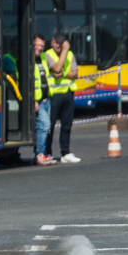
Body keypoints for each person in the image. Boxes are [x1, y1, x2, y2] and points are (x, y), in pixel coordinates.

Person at [44, 32, 81, 164]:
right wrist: (65, 50)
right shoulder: (48, 54)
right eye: (57, 42)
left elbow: (75, 73)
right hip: (54, 94)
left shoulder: (70, 54)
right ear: (52, 43)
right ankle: (47, 152)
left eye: (61, 42)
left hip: (68, 93)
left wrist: (64, 74)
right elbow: (56, 68)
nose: (59, 45)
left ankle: (65, 153)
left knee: (67, 125)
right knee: (50, 126)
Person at [32, 34, 56, 166]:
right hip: (37, 100)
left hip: (47, 99)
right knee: (45, 125)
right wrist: (33, 100)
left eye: (42, 45)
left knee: (46, 128)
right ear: (32, 45)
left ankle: (42, 153)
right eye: (37, 45)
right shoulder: (29, 60)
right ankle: (40, 154)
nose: (40, 48)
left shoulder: (42, 57)